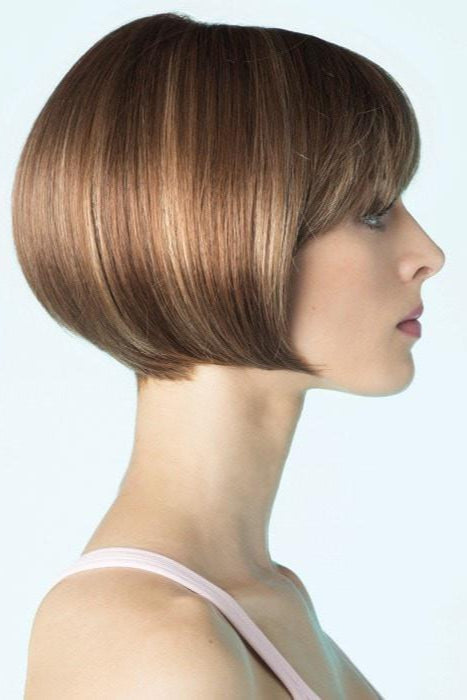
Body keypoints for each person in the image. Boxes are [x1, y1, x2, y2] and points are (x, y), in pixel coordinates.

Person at [13, 12, 445, 699]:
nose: (428, 255)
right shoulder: (150, 645)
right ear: (226, 232)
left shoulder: (262, 600)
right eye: (371, 212)